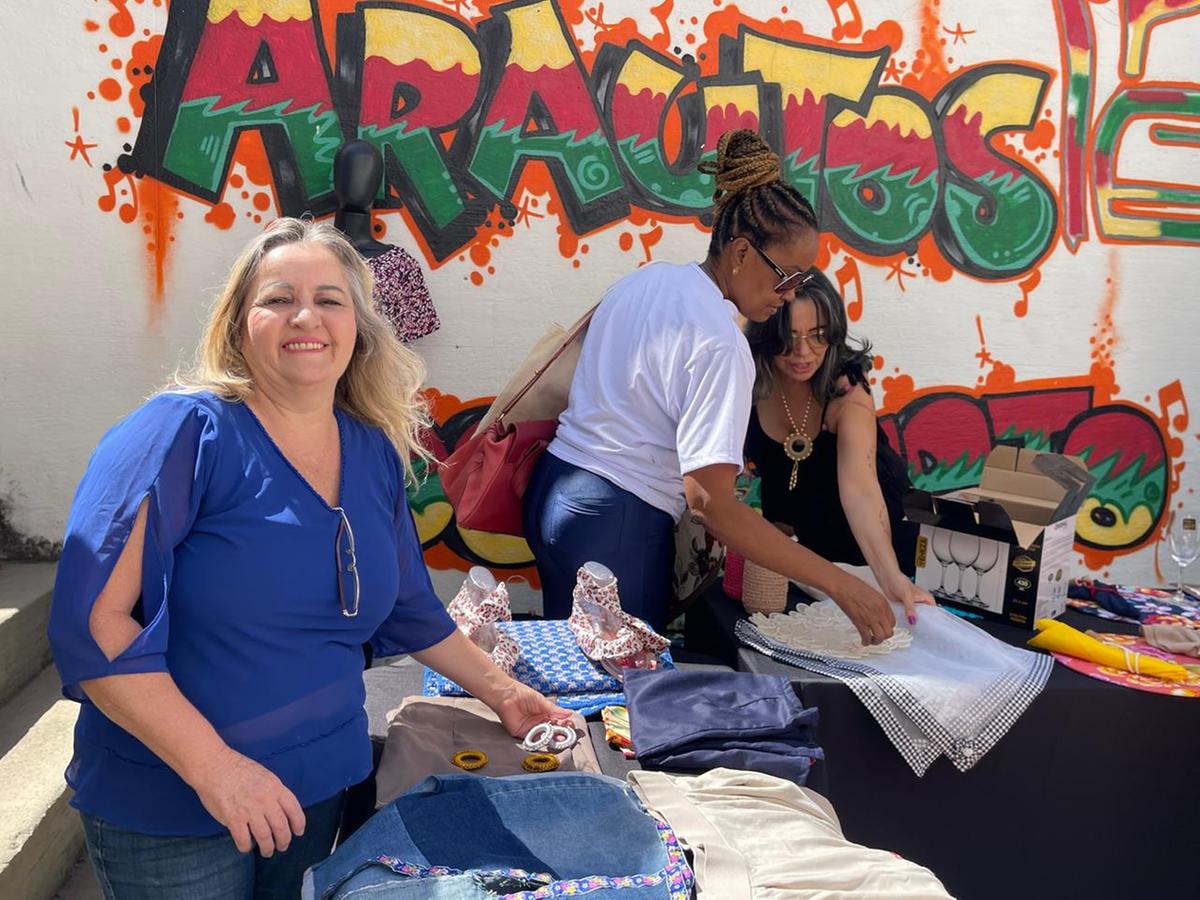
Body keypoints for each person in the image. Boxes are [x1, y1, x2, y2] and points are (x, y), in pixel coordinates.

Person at [47, 219, 568, 900]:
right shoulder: (181, 433)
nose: (306, 316)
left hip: (319, 788)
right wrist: (218, 770)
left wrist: (504, 691)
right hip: (173, 807)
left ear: (359, 327)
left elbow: (410, 607)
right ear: (239, 325)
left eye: (329, 299)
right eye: (277, 298)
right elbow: (93, 623)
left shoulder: (374, 449)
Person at [522, 129, 897, 645]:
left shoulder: (649, 280)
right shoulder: (720, 344)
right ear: (742, 253)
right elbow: (711, 505)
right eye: (787, 278)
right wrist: (842, 586)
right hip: (617, 520)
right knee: (623, 703)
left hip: (556, 495)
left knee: (570, 681)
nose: (789, 298)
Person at [744, 268, 934, 621]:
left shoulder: (847, 393)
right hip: (803, 563)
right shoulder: (746, 382)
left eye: (818, 336)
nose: (803, 353)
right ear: (768, 334)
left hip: (870, 554)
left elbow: (860, 490)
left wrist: (890, 578)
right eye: (789, 337)